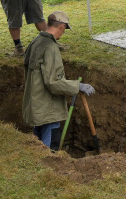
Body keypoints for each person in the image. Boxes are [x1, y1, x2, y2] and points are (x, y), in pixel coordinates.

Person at [22, 11, 95, 149]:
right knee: (49, 151)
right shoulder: (51, 47)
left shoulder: (35, 42)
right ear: (61, 26)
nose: (63, 33)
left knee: (38, 145)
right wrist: (78, 86)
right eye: (64, 30)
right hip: (48, 109)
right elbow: (53, 82)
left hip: (35, 105)